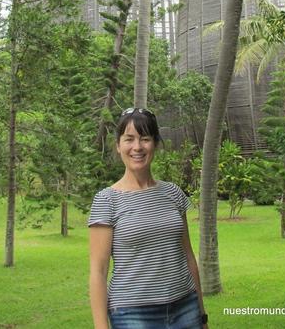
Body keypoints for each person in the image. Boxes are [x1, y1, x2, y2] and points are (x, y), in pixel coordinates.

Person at [88, 107, 209, 329]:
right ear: (118, 145)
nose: (137, 147)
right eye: (129, 139)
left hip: (185, 307)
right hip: (132, 314)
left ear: (155, 144)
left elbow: (188, 256)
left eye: (145, 138)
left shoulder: (173, 193)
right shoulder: (106, 200)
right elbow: (98, 271)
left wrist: (201, 314)